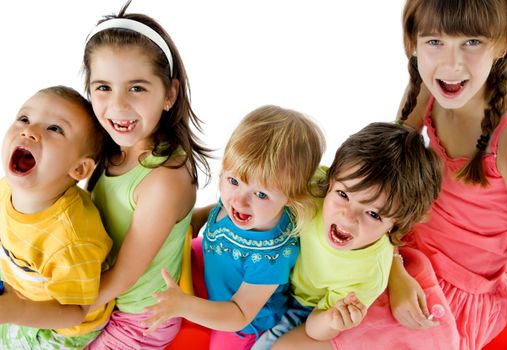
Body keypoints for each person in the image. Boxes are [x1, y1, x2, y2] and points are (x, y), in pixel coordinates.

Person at [329, 1, 507, 349]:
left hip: (457, 290)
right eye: (434, 42)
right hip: (395, 248)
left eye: (472, 42)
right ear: (412, 43)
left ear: (502, 45)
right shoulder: (430, 91)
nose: (451, 64)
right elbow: (389, 179)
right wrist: (394, 269)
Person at [142, 105, 325, 349]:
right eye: (233, 181)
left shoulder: (270, 257)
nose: (239, 200)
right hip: (214, 277)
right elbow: (219, 207)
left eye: (260, 193)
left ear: (291, 199)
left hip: (242, 325)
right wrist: (194, 219)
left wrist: (184, 305)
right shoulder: (245, 205)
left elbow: (239, 314)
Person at [82, 1, 211, 348]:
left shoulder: (163, 178)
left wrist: (58, 308)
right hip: (106, 299)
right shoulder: (109, 152)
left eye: (136, 87)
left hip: (140, 319)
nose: (118, 105)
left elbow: (123, 276)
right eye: (103, 87)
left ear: (169, 93)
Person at [248, 122, 441, 349]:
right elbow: (259, 197)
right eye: (342, 194)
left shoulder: (369, 273)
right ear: (330, 181)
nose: (348, 217)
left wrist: (333, 319)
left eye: (372, 214)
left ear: (395, 225)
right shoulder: (314, 188)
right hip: (272, 271)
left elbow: (313, 329)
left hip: (304, 305)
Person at [0, 85, 113, 349]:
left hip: (60, 326)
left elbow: (76, 311)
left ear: (80, 168)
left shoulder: (72, 238)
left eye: (54, 129)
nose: (29, 131)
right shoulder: (7, 186)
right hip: (21, 290)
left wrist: (16, 311)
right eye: (24, 119)